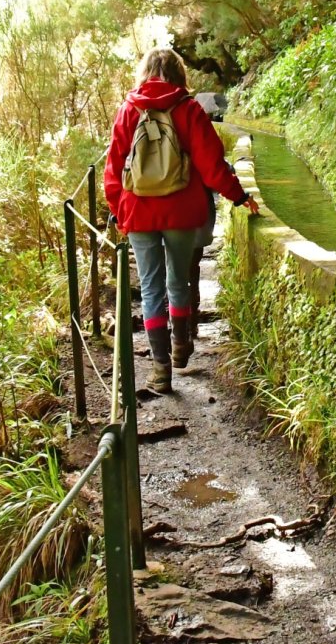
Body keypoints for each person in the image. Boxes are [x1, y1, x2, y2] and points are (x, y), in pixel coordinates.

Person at [104, 49, 257, 394]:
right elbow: (212, 165)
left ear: (145, 73)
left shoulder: (129, 110)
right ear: (179, 74)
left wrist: (119, 210)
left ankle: (160, 370)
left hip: (139, 211)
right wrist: (240, 196)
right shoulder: (189, 110)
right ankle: (181, 346)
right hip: (182, 210)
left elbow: (113, 168)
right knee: (178, 281)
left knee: (150, 288)